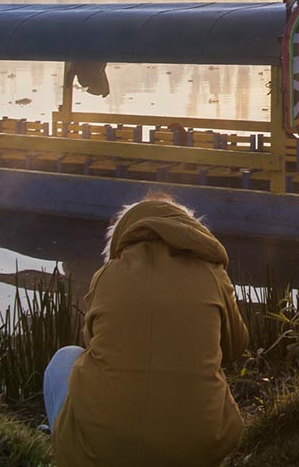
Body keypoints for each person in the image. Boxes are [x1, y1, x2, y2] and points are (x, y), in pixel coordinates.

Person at [44, 193, 248, 466]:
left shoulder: (107, 276)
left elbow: (92, 344)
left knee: (66, 358)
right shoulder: (213, 274)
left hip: (104, 453)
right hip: (198, 452)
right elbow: (235, 347)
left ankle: (63, 441)